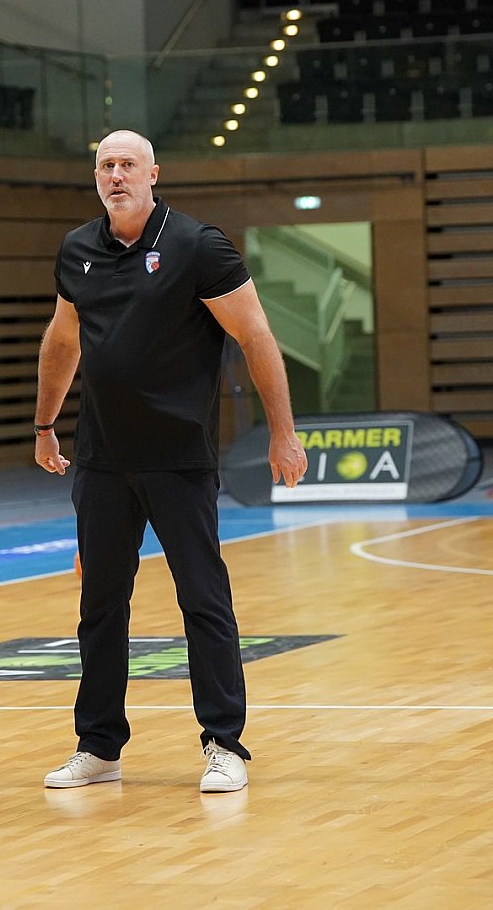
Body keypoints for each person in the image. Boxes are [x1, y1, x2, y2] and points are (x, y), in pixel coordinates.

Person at [33, 129, 308, 795]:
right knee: (100, 606)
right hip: (103, 460)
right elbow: (63, 340)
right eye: (106, 165)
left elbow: (256, 336)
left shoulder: (196, 246)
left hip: (179, 457)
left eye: (128, 164)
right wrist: (44, 425)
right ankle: (99, 746)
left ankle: (224, 743)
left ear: (153, 174)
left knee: (203, 600)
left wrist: (284, 433)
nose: (116, 175)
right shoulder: (77, 249)